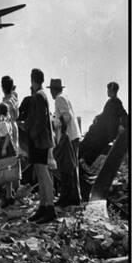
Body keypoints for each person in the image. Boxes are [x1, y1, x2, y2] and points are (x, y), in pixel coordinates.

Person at [26, 69, 56, 224]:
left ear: (33, 80)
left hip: (39, 141)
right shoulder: (42, 95)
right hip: (42, 140)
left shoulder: (38, 96)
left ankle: (49, 207)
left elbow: (40, 119)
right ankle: (43, 206)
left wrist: (31, 133)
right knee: (40, 172)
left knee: (43, 174)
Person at [48, 78, 82, 207]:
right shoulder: (64, 97)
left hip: (68, 137)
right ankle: (73, 197)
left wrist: (56, 124)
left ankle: (68, 198)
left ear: (53, 90)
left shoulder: (59, 99)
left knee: (67, 168)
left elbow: (66, 116)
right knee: (72, 167)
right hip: (72, 136)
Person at [80, 82, 128, 166]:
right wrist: (97, 117)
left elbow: (124, 115)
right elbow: (104, 114)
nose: (108, 92)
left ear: (112, 91)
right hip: (102, 130)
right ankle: (82, 160)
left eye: (109, 90)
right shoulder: (110, 102)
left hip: (107, 132)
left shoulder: (117, 102)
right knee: (89, 136)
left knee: (94, 142)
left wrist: (122, 125)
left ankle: (84, 161)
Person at [0, 103, 17, 207]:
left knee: (6, 172)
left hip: (6, 147)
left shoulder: (2, 122)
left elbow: (7, 136)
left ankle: (9, 196)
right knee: (8, 173)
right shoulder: (8, 120)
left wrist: (4, 148)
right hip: (10, 147)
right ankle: (9, 196)